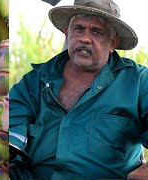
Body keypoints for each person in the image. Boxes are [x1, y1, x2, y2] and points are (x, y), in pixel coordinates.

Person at [9, 0, 147, 179]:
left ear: (113, 43)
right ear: (67, 33)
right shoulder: (35, 81)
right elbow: (8, 128)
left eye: (96, 32)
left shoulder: (138, 81)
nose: (85, 38)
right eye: (78, 29)